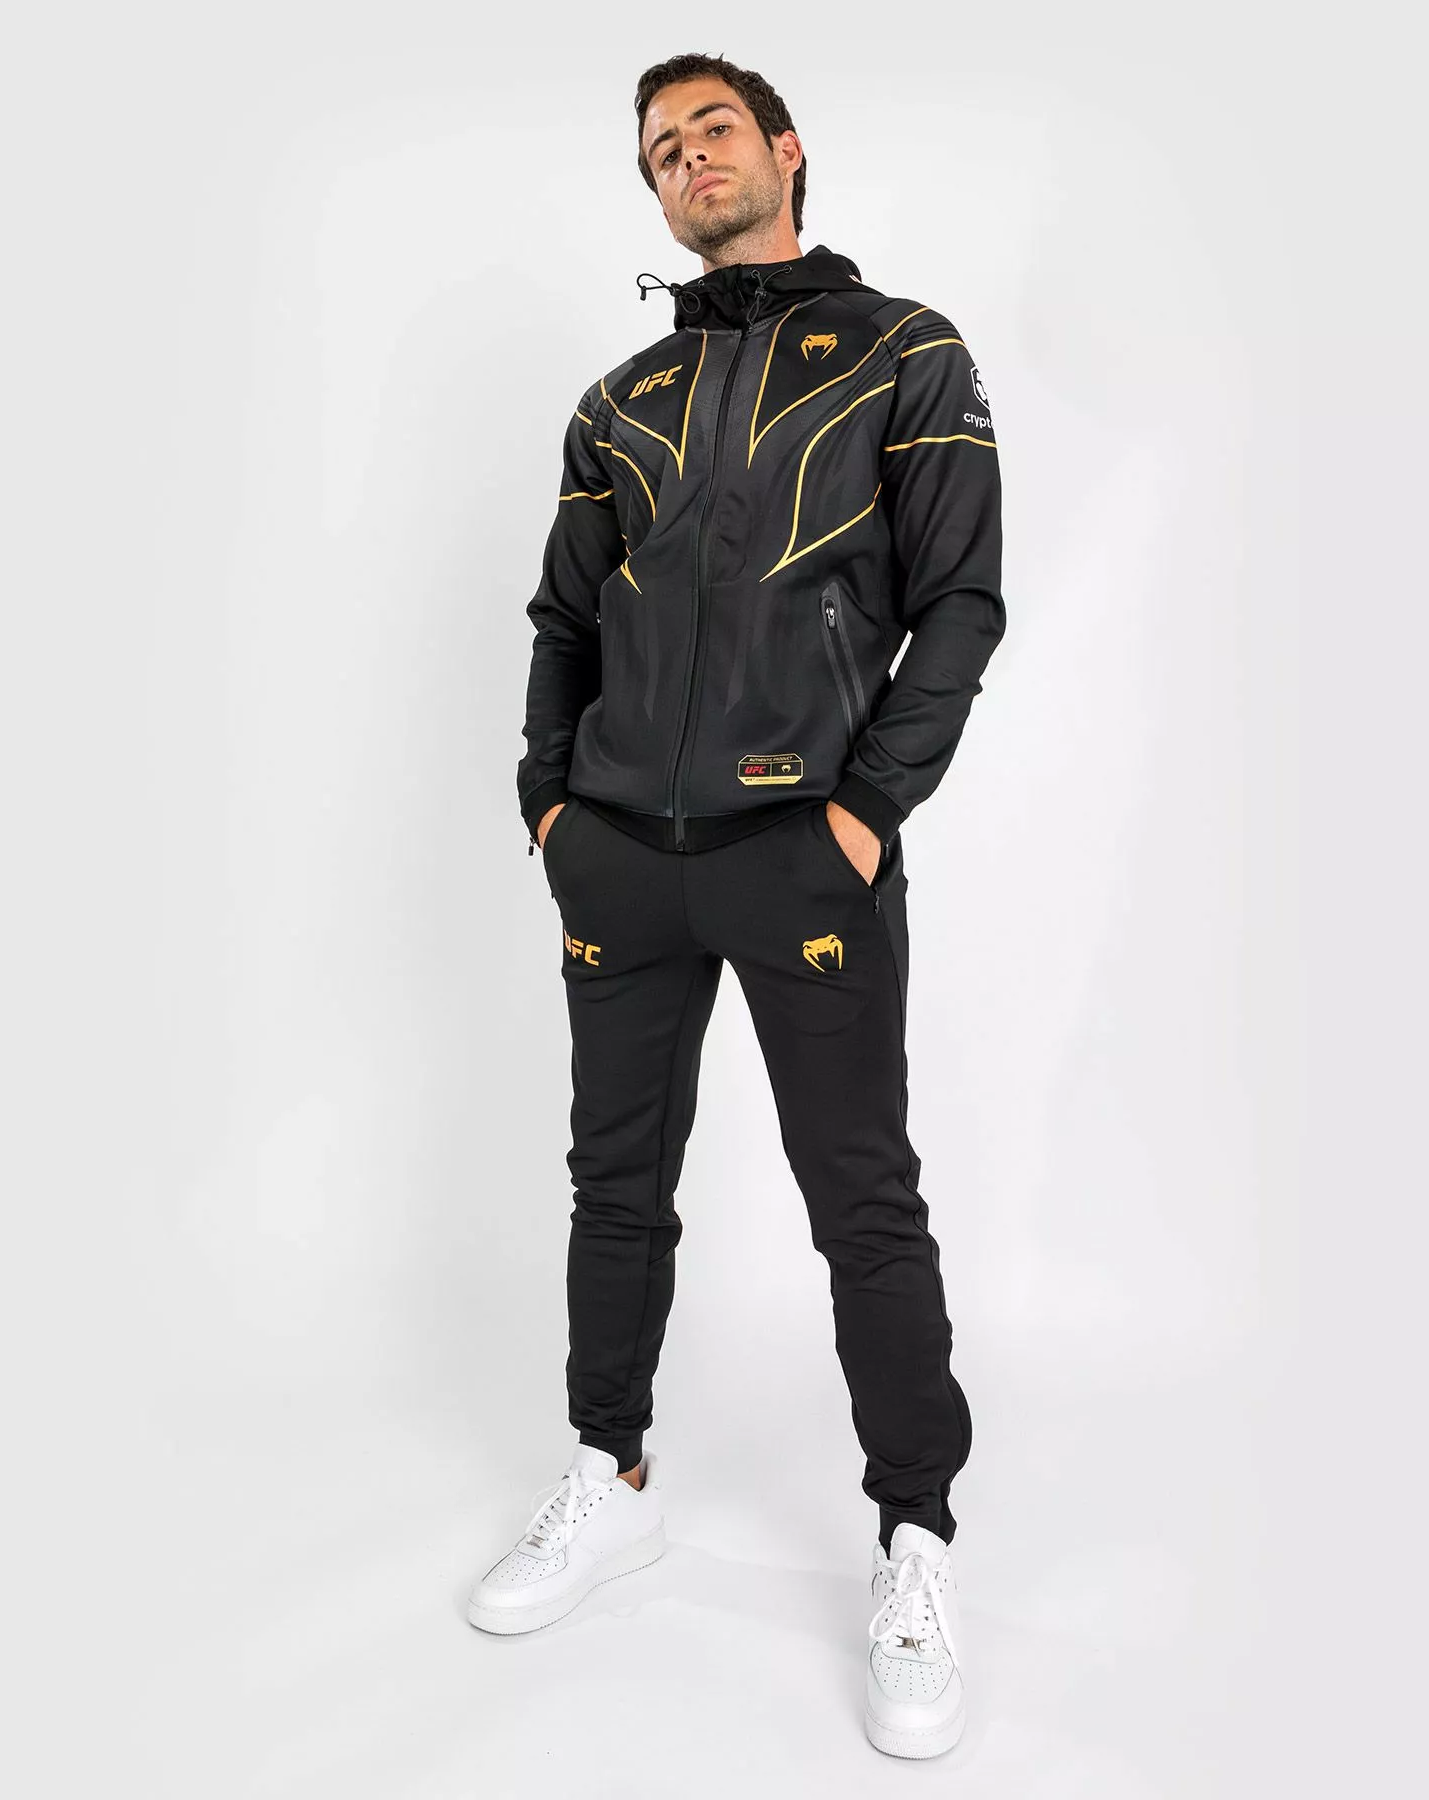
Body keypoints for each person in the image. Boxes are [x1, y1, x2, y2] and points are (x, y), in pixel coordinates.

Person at [469, 51, 1005, 1761]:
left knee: (862, 1197)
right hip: (621, 852)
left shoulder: (907, 354)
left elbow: (961, 605)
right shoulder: (621, 398)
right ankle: (606, 1474)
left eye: (712, 129)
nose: (686, 158)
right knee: (614, 1181)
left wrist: (863, 814)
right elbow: (564, 618)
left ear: (784, 149)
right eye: (658, 150)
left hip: (802, 850)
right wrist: (550, 802)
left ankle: (914, 1537)